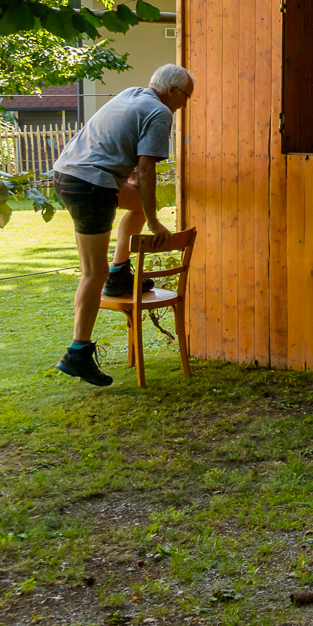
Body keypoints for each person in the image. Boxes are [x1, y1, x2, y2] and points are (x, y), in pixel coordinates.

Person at [51, 65, 194, 386]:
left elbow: (118, 143)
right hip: (91, 185)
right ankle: (77, 353)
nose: (186, 103)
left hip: (68, 174)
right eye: (187, 96)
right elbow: (145, 169)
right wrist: (155, 222)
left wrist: (141, 200)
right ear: (172, 91)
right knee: (93, 273)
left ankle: (119, 275)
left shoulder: (132, 94)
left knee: (138, 207)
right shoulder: (160, 112)